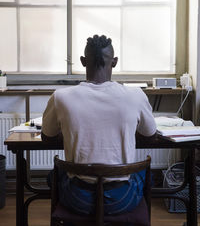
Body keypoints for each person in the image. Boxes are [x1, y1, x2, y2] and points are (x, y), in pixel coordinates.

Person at [42, 34, 156, 219]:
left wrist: (71, 134)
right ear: (115, 62)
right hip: (122, 199)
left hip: (79, 198)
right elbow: (151, 136)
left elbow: (47, 137)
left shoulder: (61, 97)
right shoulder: (135, 95)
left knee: (53, 176)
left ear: (83, 61)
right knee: (145, 175)